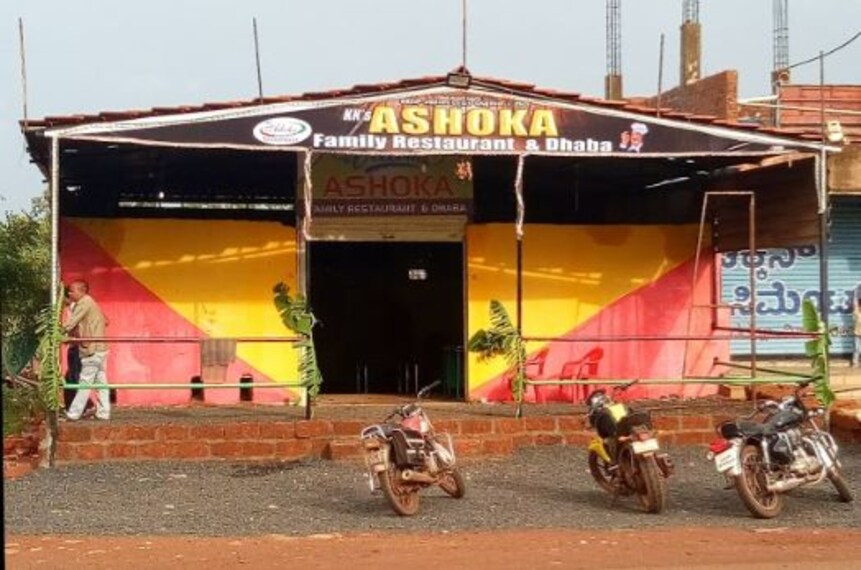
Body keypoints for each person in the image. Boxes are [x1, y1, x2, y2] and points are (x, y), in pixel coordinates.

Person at [63, 280, 110, 420]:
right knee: (100, 382)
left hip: (92, 348)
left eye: (71, 291)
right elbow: (106, 321)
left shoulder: (84, 303)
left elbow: (71, 323)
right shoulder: (90, 302)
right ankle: (103, 413)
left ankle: (74, 413)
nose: (70, 294)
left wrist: (56, 333)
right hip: (99, 347)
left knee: (85, 382)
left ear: (80, 291)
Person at [853, 283, 861, 368]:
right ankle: (855, 362)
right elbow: (855, 303)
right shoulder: (857, 313)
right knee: (856, 349)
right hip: (857, 334)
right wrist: (856, 292)